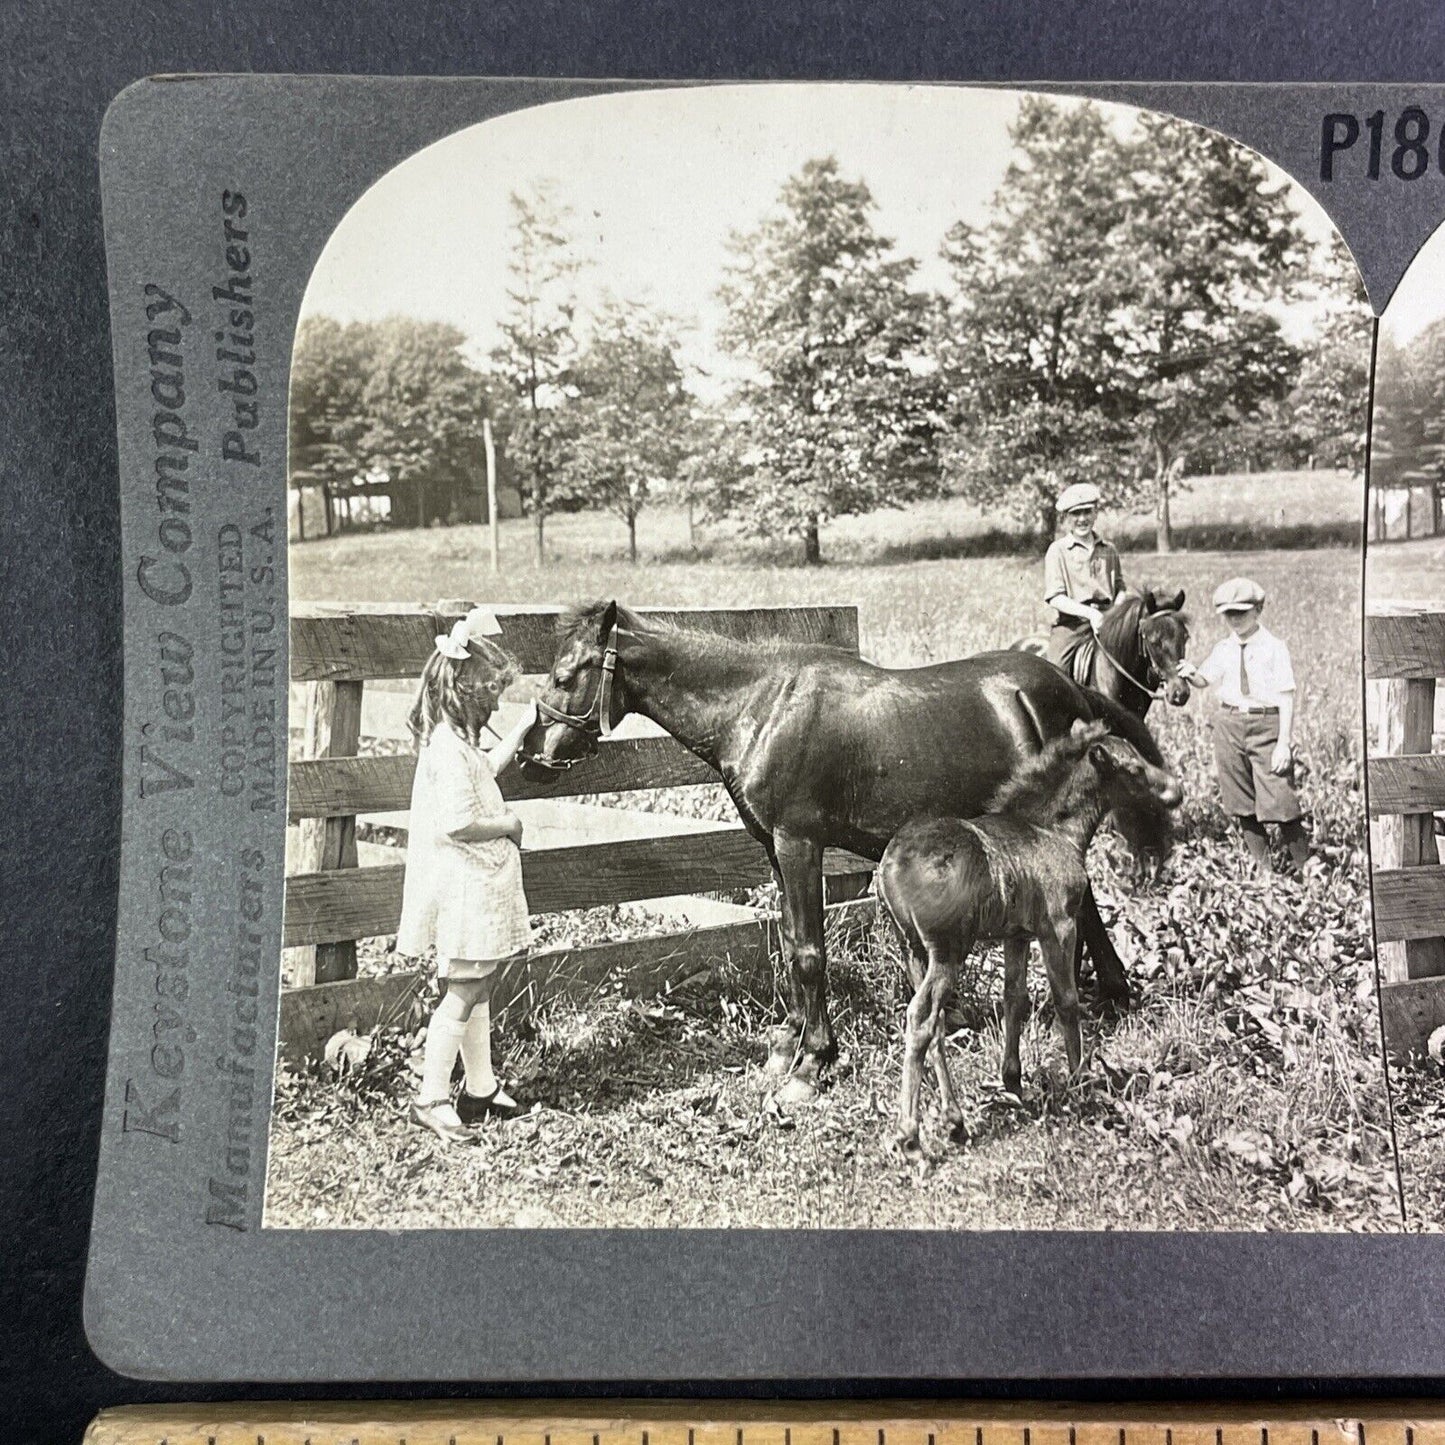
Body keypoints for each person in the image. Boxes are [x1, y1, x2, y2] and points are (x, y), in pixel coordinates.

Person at [396, 607, 539, 1144]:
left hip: (482, 887)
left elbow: (486, 771)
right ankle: (431, 1096)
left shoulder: (460, 745)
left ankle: (480, 1087)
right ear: (467, 692)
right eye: (493, 693)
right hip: (466, 889)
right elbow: (458, 822)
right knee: (463, 991)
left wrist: (522, 729)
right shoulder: (445, 751)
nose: (498, 700)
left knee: (479, 986)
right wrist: (510, 823)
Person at [1179, 577, 1311, 872]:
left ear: (1258, 610)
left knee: (1281, 797)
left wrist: (1283, 743)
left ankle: (1305, 866)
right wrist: (1191, 673)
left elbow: (1286, 697)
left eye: (1242, 612)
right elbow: (1205, 680)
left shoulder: (1274, 647)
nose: (1235, 620)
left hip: (1266, 724)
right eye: (1229, 614)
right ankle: (1264, 871)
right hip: (1228, 724)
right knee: (1239, 798)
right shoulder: (1224, 648)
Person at [1043, 481, 1127, 684]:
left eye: (1087, 512)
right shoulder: (1058, 550)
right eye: (1075, 514)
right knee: (1056, 676)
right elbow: (1055, 597)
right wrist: (1090, 613)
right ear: (1065, 518)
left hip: (1109, 623)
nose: (1082, 519)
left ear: (1096, 513)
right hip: (1073, 625)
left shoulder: (1109, 549)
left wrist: (1115, 613)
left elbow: (1120, 587)